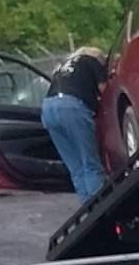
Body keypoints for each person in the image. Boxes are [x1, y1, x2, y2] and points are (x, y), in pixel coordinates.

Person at [40, 46, 108, 201]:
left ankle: (87, 207)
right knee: (90, 163)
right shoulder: (92, 60)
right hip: (72, 107)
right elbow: (104, 89)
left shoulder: (63, 66)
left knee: (75, 167)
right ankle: (100, 206)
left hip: (48, 108)